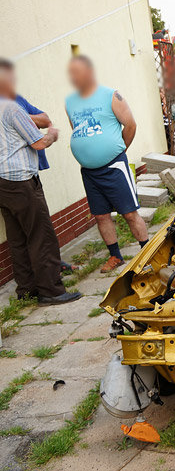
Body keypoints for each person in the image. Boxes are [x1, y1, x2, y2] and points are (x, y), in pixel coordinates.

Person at [0, 59, 81, 304]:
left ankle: (26, 290)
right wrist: (53, 134)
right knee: (41, 236)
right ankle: (51, 291)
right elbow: (39, 142)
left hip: (2, 183)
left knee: (17, 239)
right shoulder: (12, 108)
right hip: (21, 182)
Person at [65, 55, 148, 273]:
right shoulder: (69, 102)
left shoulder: (111, 95)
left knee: (129, 213)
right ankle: (115, 256)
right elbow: (76, 129)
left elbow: (130, 124)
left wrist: (118, 151)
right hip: (89, 172)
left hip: (114, 166)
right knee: (101, 216)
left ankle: (148, 253)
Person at [13, 85, 77, 274]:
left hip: (26, 174)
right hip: (19, 178)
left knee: (24, 233)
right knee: (40, 231)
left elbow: (45, 119)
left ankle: (28, 287)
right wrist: (47, 133)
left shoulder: (15, 99)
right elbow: (40, 142)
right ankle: (50, 285)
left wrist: (24, 117)